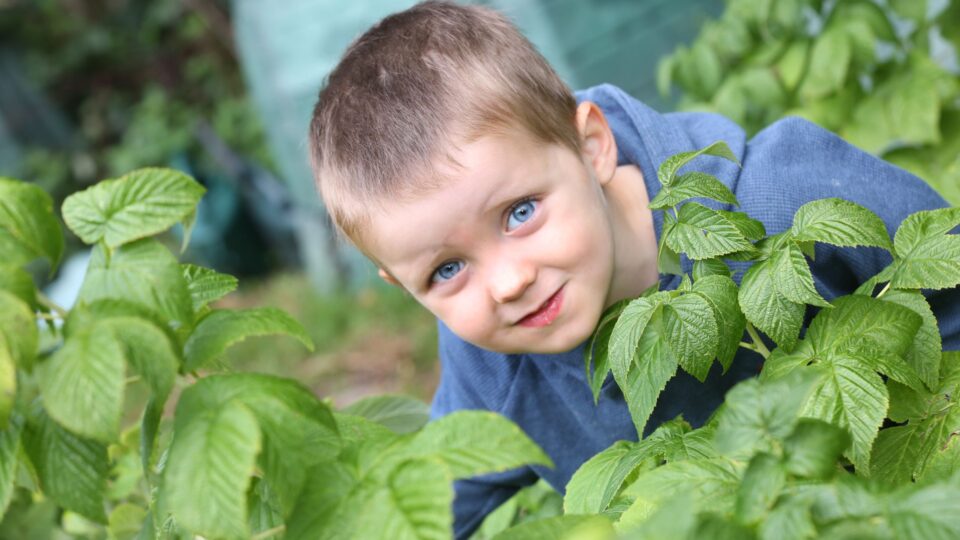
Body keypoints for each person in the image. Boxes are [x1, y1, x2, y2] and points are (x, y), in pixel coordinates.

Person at [308, 2, 960, 537]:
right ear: (402, 287)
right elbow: (425, 510)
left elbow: (945, 264)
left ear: (592, 146)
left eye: (520, 212)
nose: (507, 283)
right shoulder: (487, 367)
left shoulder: (778, 200)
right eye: (447, 270)